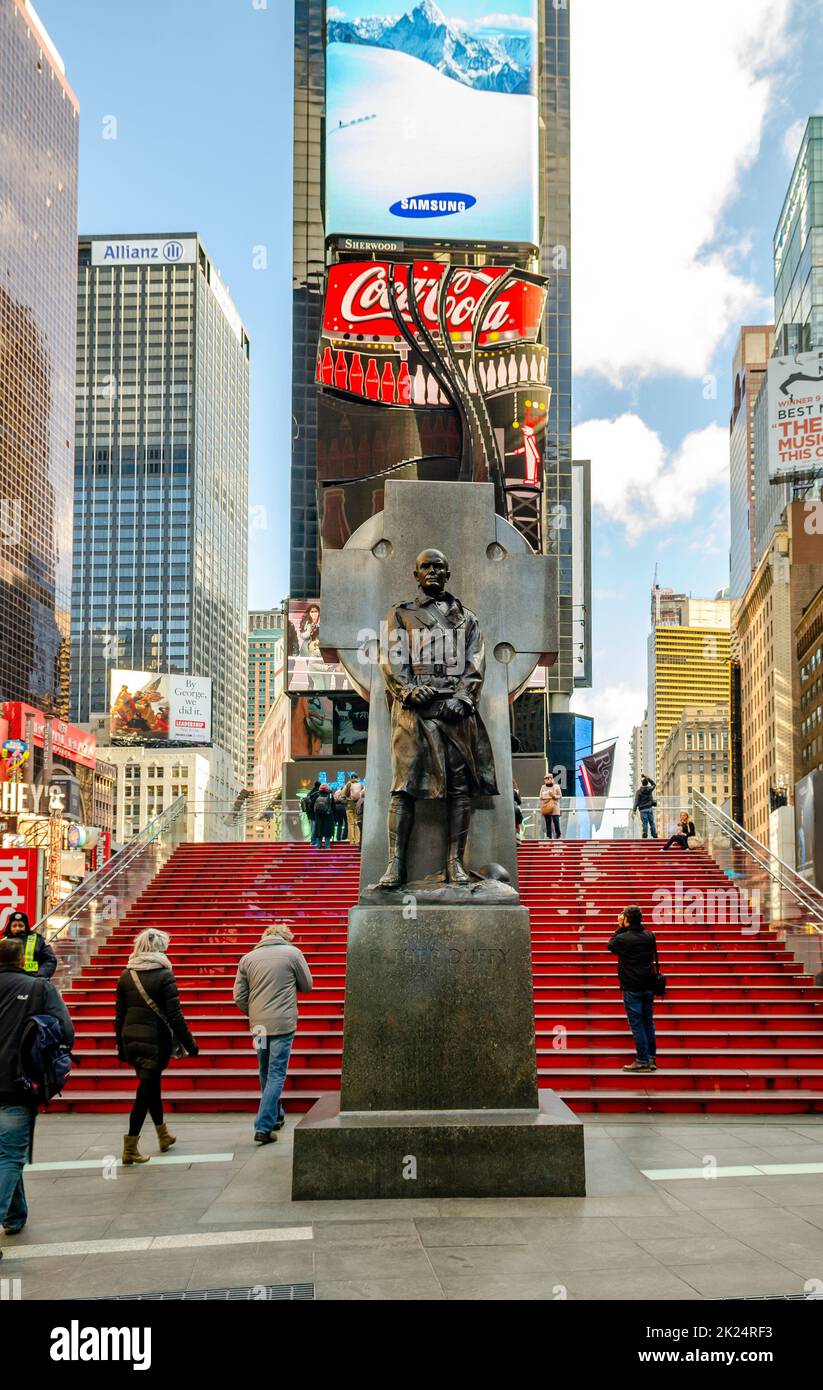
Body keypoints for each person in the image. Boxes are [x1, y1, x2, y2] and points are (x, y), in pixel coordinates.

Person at [0, 935, 74, 1248]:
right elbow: (65, 1030)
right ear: (21, 960)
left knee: (7, 1152)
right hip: (17, 1082)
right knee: (10, 1154)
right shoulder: (39, 988)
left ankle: (15, 1215)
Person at [115, 928, 198, 1165]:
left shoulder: (125, 975)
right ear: (161, 948)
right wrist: (189, 1043)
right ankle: (130, 1145)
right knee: (145, 1091)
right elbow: (174, 1015)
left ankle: (163, 1135)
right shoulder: (164, 975)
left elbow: (119, 1015)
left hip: (131, 1038)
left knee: (151, 1086)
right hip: (155, 1040)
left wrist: (120, 1044)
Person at [233, 922, 313, 1144]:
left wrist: (254, 1012)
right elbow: (307, 986)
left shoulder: (248, 958)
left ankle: (276, 1116)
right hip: (282, 1024)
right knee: (277, 1073)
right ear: (286, 937)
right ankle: (263, 1127)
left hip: (258, 1025)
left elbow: (238, 995)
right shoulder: (292, 953)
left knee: (265, 1070)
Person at [607, 905, 659, 1073]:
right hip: (648, 984)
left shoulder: (623, 939)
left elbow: (611, 945)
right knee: (648, 1021)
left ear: (627, 920)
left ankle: (642, 1059)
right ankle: (651, 1058)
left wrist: (620, 927)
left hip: (631, 985)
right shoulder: (650, 936)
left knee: (636, 1023)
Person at [1, 911, 57, 979]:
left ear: (26, 926)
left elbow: (50, 960)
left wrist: (40, 977)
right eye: (14, 925)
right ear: (9, 927)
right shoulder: (3, 942)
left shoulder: (38, 940)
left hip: (33, 980)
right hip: (8, 980)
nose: (17, 928)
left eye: (21, 925)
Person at [633, 773, 658, 839]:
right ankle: (654, 834)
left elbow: (636, 801)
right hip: (649, 809)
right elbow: (654, 784)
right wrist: (647, 778)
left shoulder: (639, 791)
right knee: (652, 822)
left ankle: (645, 834)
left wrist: (634, 810)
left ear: (642, 783)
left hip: (642, 810)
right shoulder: (649, 789)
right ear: (647, 783)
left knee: (645, 823)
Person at [312, 783, 335, 849]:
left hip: (318, 816)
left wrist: (314, 814)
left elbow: (311, 805)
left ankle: (318, 846)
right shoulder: (330, 795)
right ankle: (327, 847)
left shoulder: (316, 795)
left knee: (319, 831)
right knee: (327, 831)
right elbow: (333, 806)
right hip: (328, 816)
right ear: (327, 789)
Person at [539, 773, 562, 839]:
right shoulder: (543, 787)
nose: (546, 780)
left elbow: (560, 796)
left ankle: (558, 833)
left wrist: (554, 796)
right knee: (548, 822)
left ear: (551, 779)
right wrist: (545, 796)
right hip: (547, 805)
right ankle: (549, 836)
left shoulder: (556, 786)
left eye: (548, 779)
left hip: (555, 806)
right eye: (545, 779)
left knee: (556, 821)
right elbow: (540, 796)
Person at [343, 775, 363, 846]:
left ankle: (352, 841)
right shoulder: (361, 785)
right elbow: (363, 795)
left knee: (350, 823)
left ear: (351, 778)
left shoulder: (349, 784)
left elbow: (343, 794)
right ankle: (357, 841)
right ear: (357, 778)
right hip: (358, 806)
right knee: (357, 823)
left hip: (349, 805)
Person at [305, 779, 321, 846]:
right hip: (316, 813)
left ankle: (312, 841)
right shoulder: (318, 793)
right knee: (316, 828)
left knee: (312, 828)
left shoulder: (310, 793)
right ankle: (315, 841)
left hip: (310, 813)